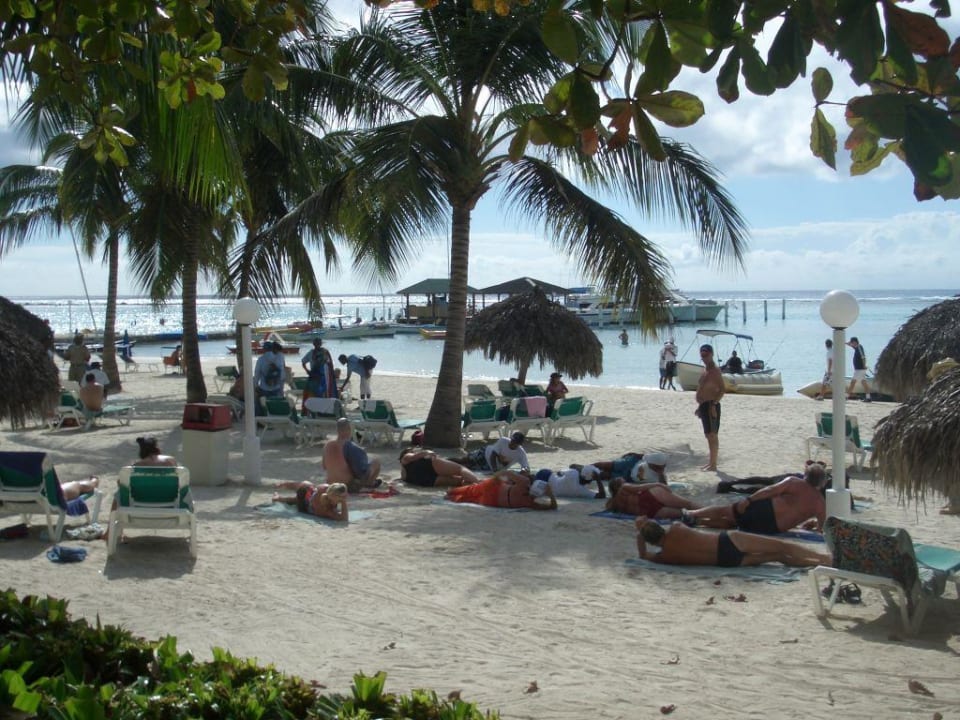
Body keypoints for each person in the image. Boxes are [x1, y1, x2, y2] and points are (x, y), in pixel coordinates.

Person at [681, 463, 829, 534]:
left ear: (806, 476)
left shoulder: (793, 482)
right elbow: (822, 529)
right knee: (734, 524)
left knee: (728, 511)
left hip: (765, 511)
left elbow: (769, 490)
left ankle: (693, 514)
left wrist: (749, 500)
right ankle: (699, 522)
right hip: (772, 528)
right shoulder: (820, 505)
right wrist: (813, 525)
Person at [634, 517, 832, 568]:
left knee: (778, 556)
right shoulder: (677, 528)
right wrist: (643, 526)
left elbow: (643, 555)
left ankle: (817, 564)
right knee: (782, 546)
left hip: (727, 561)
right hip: (729, 542)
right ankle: (824, 558)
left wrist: (640, 536)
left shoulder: (665, 557)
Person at [445, 469, 558, 510]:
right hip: (493, 502)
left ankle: (451, 492)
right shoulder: (529, 503)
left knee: (472, 490)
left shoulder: (524, 482)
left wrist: (494, 478)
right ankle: (452, 496)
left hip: (495, 489)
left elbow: (505, 472)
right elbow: (553, 507)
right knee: (468, 499)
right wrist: (551, 495)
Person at [323, 417, 382, 493]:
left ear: (337, 430)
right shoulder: (350, 446)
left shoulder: (327, 445)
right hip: (347, 486)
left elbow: (324, 466)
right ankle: (369, 483)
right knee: (376, 461)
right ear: (349, 429)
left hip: (331, 485)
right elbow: (361, 471)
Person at [606, 478, 699, 518]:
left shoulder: (613, 504)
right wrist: (658, 484)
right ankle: (710, 511)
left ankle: (708, 517)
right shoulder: (624, 487)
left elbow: (608, 507)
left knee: (685, 513)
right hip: (649, 496)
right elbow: (640, 487)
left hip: (649, 512)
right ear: (619, 484)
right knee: (688, 504)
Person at [695, 343, 724, 471]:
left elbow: (722, 389)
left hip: (711, 405)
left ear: (711, 354)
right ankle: (711, 462)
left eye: (706, 355)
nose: (704, 357)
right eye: (702, 355)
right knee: (708, 435)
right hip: (703, 405)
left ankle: (713, 464)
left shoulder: (715, 371)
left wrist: (714, 404)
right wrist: (699, 407)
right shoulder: (704, 370)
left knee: (713, 435)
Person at [398, 446, 481, 488]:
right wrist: (427, 452)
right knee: (460, 469)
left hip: (426, 481)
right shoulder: (406, 457)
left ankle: (475, 485)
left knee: (458, 481)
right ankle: (479, 485)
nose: (413, 450)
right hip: (429, 465)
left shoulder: (403, 474)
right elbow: (416, 456)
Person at [449, 431, 530, 472]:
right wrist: (494, 470)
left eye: (516, 443)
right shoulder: (503, 440)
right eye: (512, 441)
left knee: (467, 467)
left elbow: (525, 467)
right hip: (485, 452)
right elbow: (493, 455)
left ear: (520, 444)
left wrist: (524, 470)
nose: (513, 443)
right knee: (463, 460)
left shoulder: (521, 453)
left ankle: (449, 469)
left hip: (488, 467)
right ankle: (445, 461)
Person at [272, 481, 349, 521]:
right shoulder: (325, 508)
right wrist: (344, 502)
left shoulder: (326, 489)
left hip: (310, 497)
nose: (344, 498)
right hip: (306, 503)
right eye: (342, 498)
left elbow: (318, 489)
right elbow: (344, 519)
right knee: (297, 496)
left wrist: (341, 500)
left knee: (305, 486)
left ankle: (281, 489)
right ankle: (278, 497)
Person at [580, 451, 669, 484]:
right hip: (631, 463)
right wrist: (633, 454)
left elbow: (665, 486)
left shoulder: (661, 474)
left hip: (628, 478)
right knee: (605, 465)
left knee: (604, 475)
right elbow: (643, 456)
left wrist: (660, 473)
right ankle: (584, 468)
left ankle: (585, 474)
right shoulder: (655, 459)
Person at [533, 465, 606, 499]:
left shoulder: (573, 473)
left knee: (531, 481)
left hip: (548, 476)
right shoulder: (581, 490)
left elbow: (571, 466)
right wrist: (598, 480)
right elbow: (602, 495)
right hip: (552, 489)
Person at [301, 338, 338, 402]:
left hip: (323, 377)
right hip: (314, 375)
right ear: (313, 344)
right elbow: (303, 362)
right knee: (313, 393)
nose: (318, 344)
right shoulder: (311, 353)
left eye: (319, 343)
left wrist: (331, 374)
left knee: (324, 393)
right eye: (316, 343)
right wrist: (307, 371)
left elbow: (330, 364)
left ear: (321, 344)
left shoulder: (325, 352)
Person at [846, 336, 872, 402]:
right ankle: (868, 397)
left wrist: (864, 365)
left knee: (853, 382)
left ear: (854, 342)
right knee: (864, 383)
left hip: (859, 369)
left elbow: (863, 357)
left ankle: (846, 397)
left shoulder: (859, 347)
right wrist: (844, 343)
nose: (851, 344)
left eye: (851, 342)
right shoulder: (857, 347)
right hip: (859, 369)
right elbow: (850, 345)